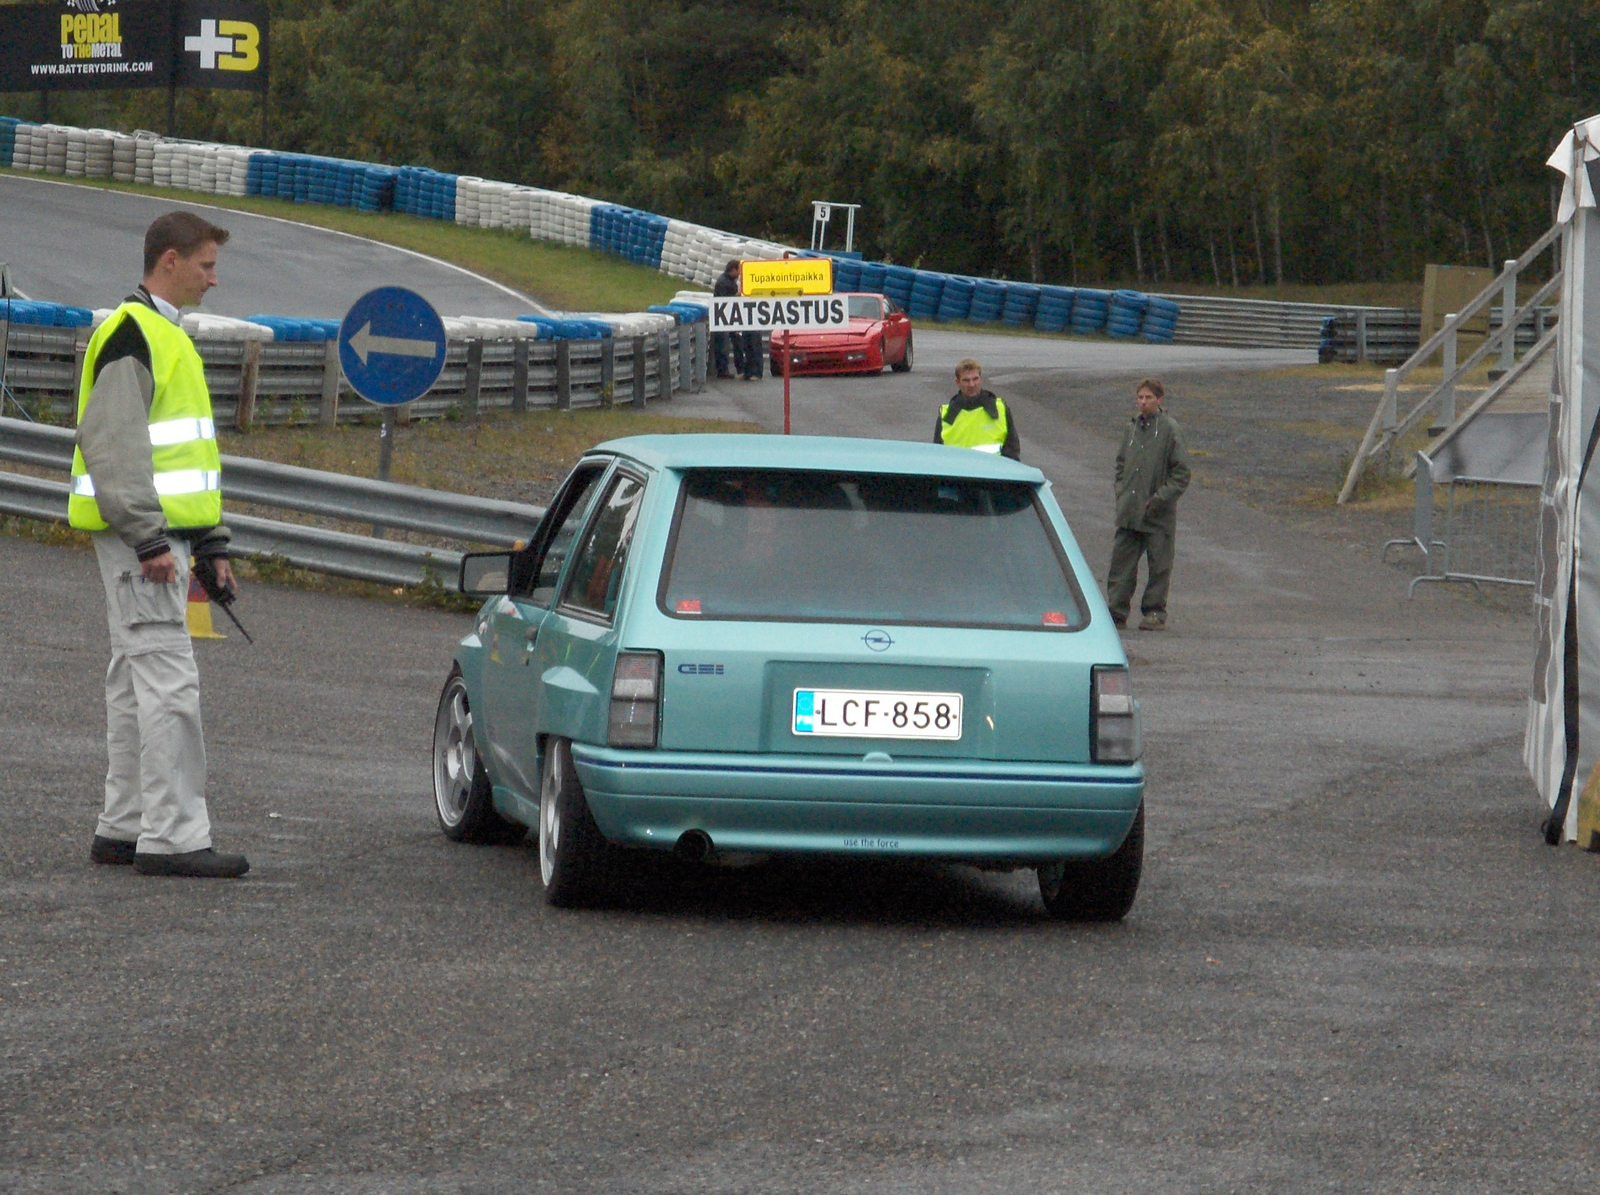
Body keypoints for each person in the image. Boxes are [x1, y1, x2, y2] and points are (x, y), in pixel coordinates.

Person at [70, 210, 250, 878]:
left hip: (157, 535)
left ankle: (124, 826)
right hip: (142, 539)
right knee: (169, 679)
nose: (215, 278)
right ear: (168, 262)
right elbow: (113, 445)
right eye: (206, 264)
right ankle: (172, 835)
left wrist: (212, 543)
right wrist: (150, 540)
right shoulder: (134, 334)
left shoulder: (161, 334)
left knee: (134, 677)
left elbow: (185, 461)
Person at [1106, 378, 1191, 631]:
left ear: (1160, 400)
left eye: (1148, 398)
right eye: (1140, 397)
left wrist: (1161, 498)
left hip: (1157, 513)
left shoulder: (1169, 429)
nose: (1143, 402)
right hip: (1130, 510)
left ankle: (1154, 612)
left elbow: (1182, 473)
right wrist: (1121, 493)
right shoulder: (1130, 428)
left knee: (1159, 565)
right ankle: (1116, 612)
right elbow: (1121, 464)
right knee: (1121, 564)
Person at [934, 358, 1019, 460]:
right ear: (958, 382)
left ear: (981, 379)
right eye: (966, 380)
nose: (972, 385)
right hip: (958, 474)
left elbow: (1012, 451)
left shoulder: (1000, 409)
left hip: (992, 473)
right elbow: (937, 455)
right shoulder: (946, 415)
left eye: (975, 379)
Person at [711, 259, 745, 380]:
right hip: (722, 317)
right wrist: (737, 296)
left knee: (737, 342)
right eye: (738, 270)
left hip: (730, 316)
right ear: (733, 269)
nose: (740, 274)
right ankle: (722, 370)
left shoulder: (730, 281)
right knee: (723, 344)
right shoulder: (723, 282)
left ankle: (740, 368)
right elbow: (723, 301)